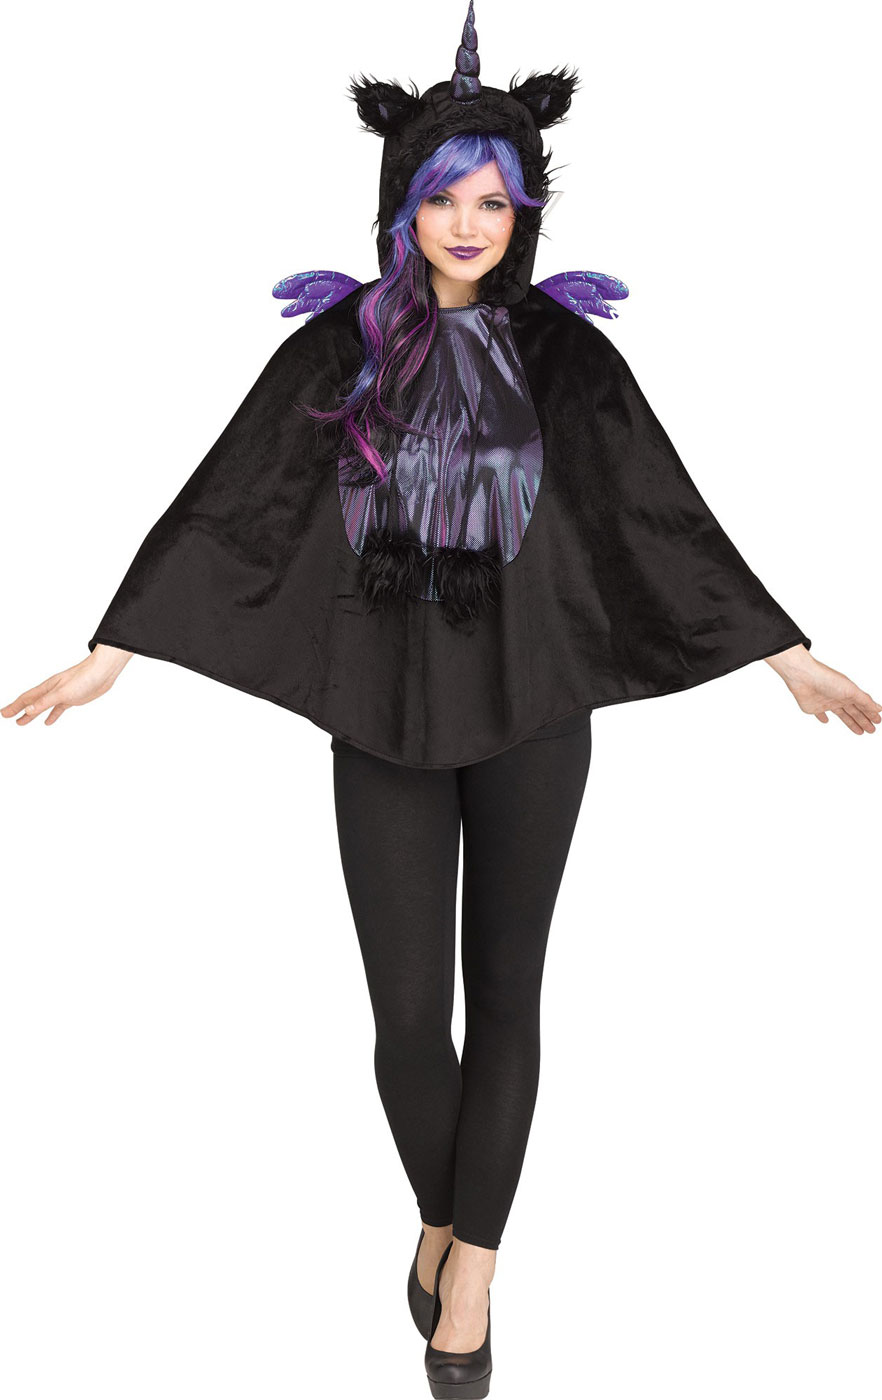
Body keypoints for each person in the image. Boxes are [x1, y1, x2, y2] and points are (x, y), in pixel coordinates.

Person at [3, 7, 878, 1398]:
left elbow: (657, 514)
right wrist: (120, 649)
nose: (468, 225)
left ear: (522, 214)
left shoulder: (565, 358)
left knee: (507, 992)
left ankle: (471, 1274)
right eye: (442, 198)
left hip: (532, 706)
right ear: (401, 204)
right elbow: (236, 500)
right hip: (384, 708)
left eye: (493, 202)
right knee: (408, 1013)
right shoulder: (340, 348)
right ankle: (441, 1216)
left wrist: (784, 654)